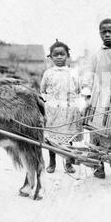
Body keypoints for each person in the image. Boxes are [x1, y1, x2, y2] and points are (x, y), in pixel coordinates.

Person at [81, 18, 111, 179]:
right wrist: (87, 95)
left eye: (110, 31)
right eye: (104, 32)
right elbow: (88, 73)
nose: (107, 34)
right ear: (100, 34)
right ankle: (98, 166)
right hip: (99, 98)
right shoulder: (96, 55)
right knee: (96, 130)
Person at [40, 40, 82, 174]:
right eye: (55, 55)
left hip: (68, 110)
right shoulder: (48, 73)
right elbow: (43, 90)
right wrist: (47, 103)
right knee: (51, 138)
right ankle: (52, 162)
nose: (59, 57)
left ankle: (68, 163)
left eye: (62, 54)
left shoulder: (73, 73)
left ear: (67, 56)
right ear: (51, 57)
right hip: (52, 110)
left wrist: (75, 105)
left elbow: (78, 90)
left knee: (67, 138)